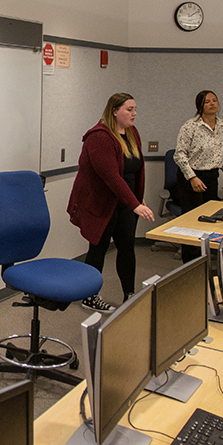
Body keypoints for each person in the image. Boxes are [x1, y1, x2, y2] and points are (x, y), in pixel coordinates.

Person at [67, 93, 156, 312]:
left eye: (135, 109)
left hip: (124, 202)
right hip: (101, 203)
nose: (134, 114)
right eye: (129, 109)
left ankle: (130, 295)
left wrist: (136, 197)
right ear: (114, 111)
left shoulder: (132, 133)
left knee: (127, 248)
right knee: (98, 249)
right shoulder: (99, 137)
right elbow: (111, 177)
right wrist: (134, 203)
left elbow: (134, 171)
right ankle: (89, 296)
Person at [173, 90, 223, 262]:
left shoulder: (222, 126)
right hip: (191, 177)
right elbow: (179, 155)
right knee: (192, 222)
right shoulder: (190, 126)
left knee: (211, 219)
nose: (212, 104)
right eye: (207, 102)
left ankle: (207, 258)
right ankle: (190, 262)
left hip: (211, 176)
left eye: (215, 100)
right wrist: (192, 177)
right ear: (200, 106)